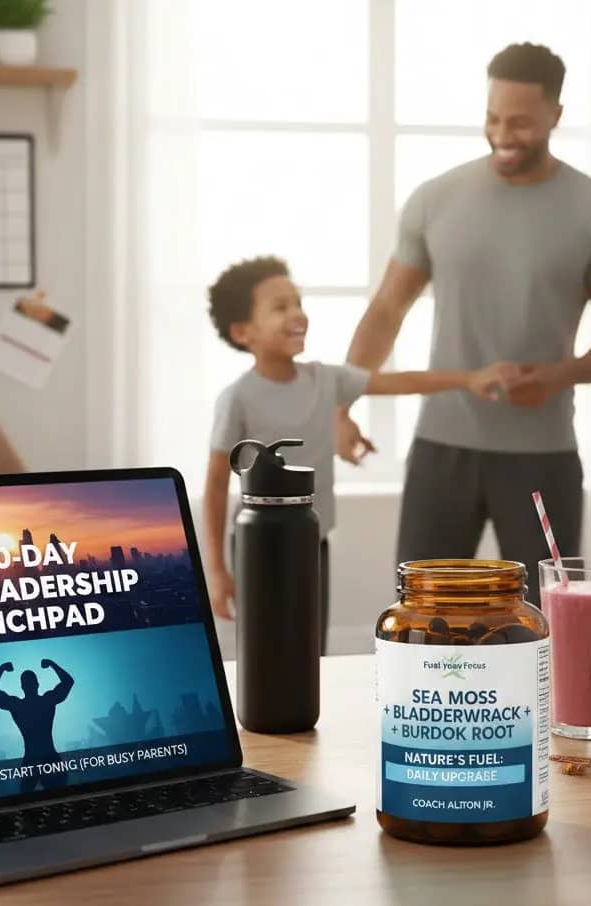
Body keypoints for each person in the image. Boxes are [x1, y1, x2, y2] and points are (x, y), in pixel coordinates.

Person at [336, 42, 591, 606]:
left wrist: (559, 375)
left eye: (521, 122)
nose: (503, 133)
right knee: (421, 619)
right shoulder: (435, 199)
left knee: (539, 625)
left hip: (542, 456)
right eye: (493, 118)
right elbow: (386, 310)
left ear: (556, 115)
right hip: (440, 450)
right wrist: (339, 404)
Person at [203, 255, 518, 651]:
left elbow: (398, 381)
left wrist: (468, 378)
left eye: (298, 302)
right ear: (243, 331)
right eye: (280, 307)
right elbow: (216, 484)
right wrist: (216, 569)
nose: (297, 314)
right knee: (264, 648)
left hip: (313, 541)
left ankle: (306, 714)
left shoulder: (325, 379)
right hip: (256, 547)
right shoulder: (238, 398)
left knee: (310, 645)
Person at [0, 658, 74, 792]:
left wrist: (2, 669)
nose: (29, 685)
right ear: (37, 684)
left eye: (28, 682)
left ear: (23, 687)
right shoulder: (43, 701)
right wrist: (51, 664)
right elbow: (67, 682)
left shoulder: (21, 705)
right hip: (41, 758)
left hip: (39, 758)